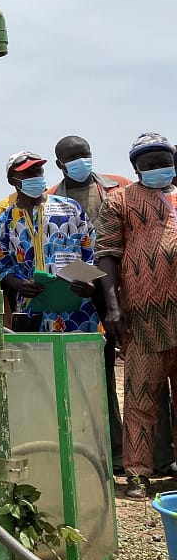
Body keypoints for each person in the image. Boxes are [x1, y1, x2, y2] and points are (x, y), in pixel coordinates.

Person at [97, 132, 177, 500]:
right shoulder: (120, 201)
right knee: (141, 395)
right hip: (143, 316)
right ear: (136, 167)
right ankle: (139, 474)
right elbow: (107, 255)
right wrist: (112, 307)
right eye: (150, 162)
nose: (159, 166)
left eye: (164, 159)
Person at [49, 136, 133, 475]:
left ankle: (151, 453)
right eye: (72, 157)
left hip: (124, 294)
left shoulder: (119, 188)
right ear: (60, 164)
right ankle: (109, 450)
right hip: (80, 301)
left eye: (84, 154)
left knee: (141, 374)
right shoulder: (51, 200)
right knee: (96, 376)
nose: (81, 161)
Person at [0, 151, 99, 334]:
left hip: (77, 309)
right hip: (32, 309)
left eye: (38, 171)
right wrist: (19, 284)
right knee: (37, 360)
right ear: (12, 180)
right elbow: (2, 267)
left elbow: (91, 250)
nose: (35, 177)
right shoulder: (4, 222)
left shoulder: (70, 208)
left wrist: (90, 283)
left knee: (80, 360)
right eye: (27, 174)